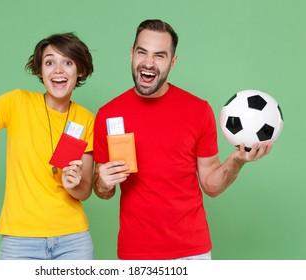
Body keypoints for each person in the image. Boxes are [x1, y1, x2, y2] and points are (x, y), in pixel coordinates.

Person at [93, 19, 272, 260]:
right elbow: (103, 191)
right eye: (142, 52)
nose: (148, 62)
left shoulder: (198, 110)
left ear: (173, 62)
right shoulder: (108, 114)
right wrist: (103, 182)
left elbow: (211, 185)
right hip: (136, 252)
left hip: (192, 253)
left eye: (159, 55)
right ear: (131, 54)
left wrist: (237, 160)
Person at [0, 33, 95, 260]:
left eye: (68, 62)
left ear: (80, 70)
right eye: (49, 62)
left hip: (73, 241)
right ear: (40, 70)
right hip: (20, 242)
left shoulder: (86, 119)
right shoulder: (18, 103)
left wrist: (72, 185)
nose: (58, 70)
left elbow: (85, 191)